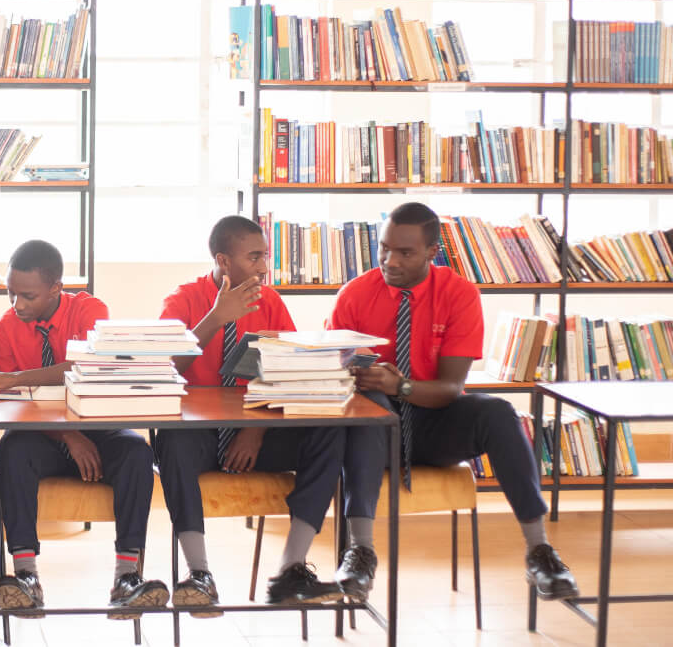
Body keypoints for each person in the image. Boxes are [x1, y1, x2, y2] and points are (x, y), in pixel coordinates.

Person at [329, 202, 578, 603]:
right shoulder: (355, 295)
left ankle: (540, 552)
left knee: (498, 411)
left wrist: (402, 387)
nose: (390, 261)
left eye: (405, 253)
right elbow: (332, 380)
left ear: (432, 251)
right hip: (374, 437)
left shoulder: (458, 294)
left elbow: (449, 388)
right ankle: (360, 551)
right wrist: (370, 385)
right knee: (369, 409)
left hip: (435, 425)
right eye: (384, 248)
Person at [153, 216, 348, 613]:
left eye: (265, 256)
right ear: (224, 261)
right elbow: (164, 370)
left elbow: (287, 373)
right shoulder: (183, 299)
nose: (263, 267)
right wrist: (214, 319)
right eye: (254, 257)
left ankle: (291, 569)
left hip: (255, 431)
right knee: (169, 438)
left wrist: (255, 430)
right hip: (200, 435)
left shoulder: (270, 301)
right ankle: (199, 575)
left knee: (331, 431)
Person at [0, 240, 168, 619]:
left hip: (95, 427)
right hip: (40, 434)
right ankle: (26, 577)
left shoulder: (90, 310)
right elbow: (14, 402)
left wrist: (15, 378)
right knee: (11, 453)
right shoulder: (5, 328)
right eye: (10, 293)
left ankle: (127, 578)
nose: (17, 305)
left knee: (137, 452)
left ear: (56, 289)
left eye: (27, 296)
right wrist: (66, 434)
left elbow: (82, 369)